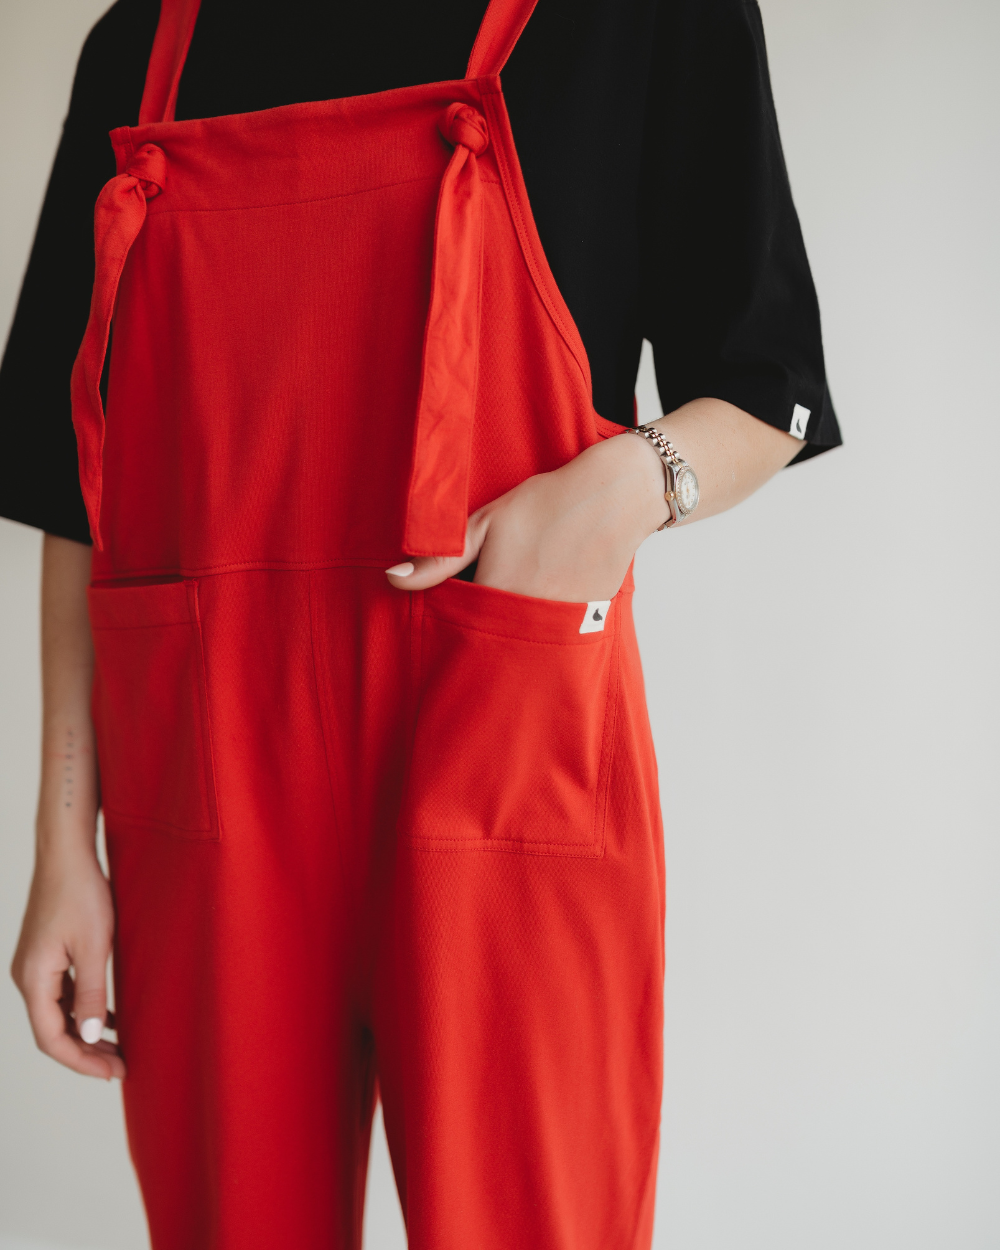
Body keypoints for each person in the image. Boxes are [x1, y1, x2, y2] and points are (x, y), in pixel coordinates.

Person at [3, 1, 840, 1246]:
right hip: (203, 766)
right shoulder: (144, 42)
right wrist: (63, 842)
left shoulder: (640, 18)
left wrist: (614, 488)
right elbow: (78, 481)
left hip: (500, 716)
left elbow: (770, 388)